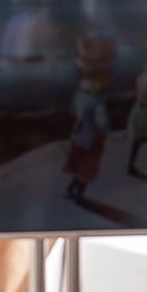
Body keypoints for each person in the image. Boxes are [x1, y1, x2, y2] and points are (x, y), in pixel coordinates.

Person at [62, 34, 114, 200]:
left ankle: (73, 188)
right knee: (89, 166)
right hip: (93, 137)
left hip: (79, 134)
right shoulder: (97, 100)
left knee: (80, 163)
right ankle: (78, 192)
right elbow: (102, 123)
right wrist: (105, 129)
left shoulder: (79, 94)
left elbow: (72, 110)